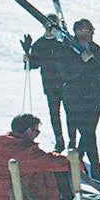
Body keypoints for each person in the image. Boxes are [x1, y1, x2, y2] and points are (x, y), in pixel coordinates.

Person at [61, 18, 100, 182]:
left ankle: (80, 162)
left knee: (89, 132)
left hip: (94, 96)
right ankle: (94, 167)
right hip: (74, 96)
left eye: (90, 31)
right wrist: (81, 62)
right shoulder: (67, 49)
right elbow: (64, 74)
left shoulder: (96, 49)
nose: (87, 34)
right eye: (84, 31)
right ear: (76, 32)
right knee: (86, 132)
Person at [23, 16, 74, 151]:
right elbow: (33, 64)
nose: (50, 28)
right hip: (50, 84)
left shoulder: (63, 42)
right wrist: (27, 56)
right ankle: (59, 140)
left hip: (66, 83)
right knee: (54, 113)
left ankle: (72, 140)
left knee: (70, 113)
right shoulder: (39, 44)